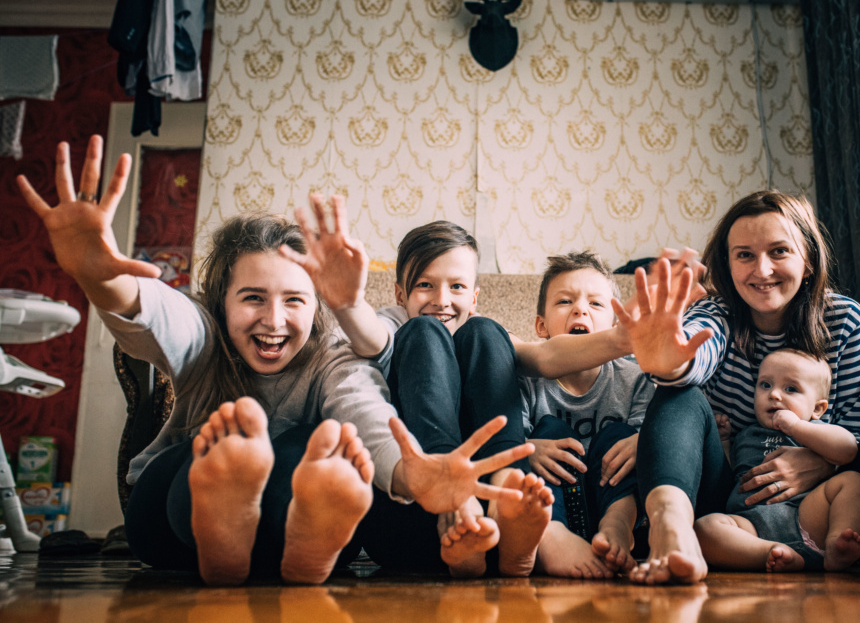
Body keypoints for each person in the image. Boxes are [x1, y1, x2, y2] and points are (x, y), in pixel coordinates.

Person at [16, 136, 532, 586]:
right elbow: (159, 313)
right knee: (218, 451)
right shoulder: (204, 338)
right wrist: (100, 277)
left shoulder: (333, 356)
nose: (275, 320)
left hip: (292, 518)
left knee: (322, 447)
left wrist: (410, 473)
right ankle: (225, 533)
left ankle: (302, 549)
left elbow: (367, 411)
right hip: (173, 526)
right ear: (221, 304)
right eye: (253, 298)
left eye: (294, 300)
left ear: (317, 307)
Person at [612, 190, 860, 589]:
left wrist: (824, 462)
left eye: (779, 251)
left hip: (836, 518)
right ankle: (672, 533)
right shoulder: (715, 315)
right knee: (677, 394)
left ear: (807, 261)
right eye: (744, 255)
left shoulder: (844, 319)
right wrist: (670, 361)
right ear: (727, 264)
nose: (762, 269)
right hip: (733, 514)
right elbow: (691, 360)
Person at [281, 202, 553, 577]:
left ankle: (511, 516)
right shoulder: (397, 326)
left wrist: (622, 341)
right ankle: (454, 505)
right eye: (425, 285)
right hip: (409, 521)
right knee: (425, 331)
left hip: (490, 518)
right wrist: (348, 304)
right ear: (399, 293)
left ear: (474, 296)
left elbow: (549, 356)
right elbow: (371, 338)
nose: (441, 299)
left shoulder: (488, 336)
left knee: (486, 332)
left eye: (456, 287)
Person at [520, 251, 654, 578]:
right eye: (565, 302)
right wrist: (530, 448)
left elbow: (651, 444)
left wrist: (642, 441)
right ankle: (554, 535)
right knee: (546, 431)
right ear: (541, 325)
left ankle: (616, 526)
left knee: (622, 437)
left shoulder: (635, 378)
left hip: (615, 503)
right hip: (553, 505)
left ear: (614, 326)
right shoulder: (525, 381)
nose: (581, 309)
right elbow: (508, 443)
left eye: (595, 304)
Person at [695, 348, 860, 572]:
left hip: (806, 516)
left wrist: (796, 427)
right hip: (749, 524)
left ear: (818, 408)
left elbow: (848, 449)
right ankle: (769, 552)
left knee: (855, 483)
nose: (774, 395)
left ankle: (836, 544)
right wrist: (723, 442)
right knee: (704, 527)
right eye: (765, 385)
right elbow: (728, 476)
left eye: (791, 389)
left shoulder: (814, 431)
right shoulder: (745, 435)